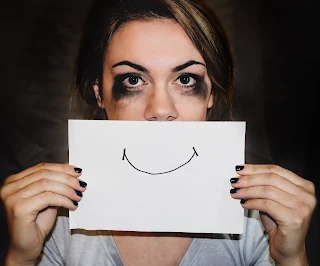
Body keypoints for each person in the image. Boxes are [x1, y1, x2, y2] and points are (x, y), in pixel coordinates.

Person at [0, 0, 316, 265]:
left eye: (186, 79)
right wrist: (21, 258)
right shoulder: (55, 221)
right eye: (133, 80)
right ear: (100, 94)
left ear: (212, 96)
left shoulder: (257, 222)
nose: (160, 108)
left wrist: (290, 259)